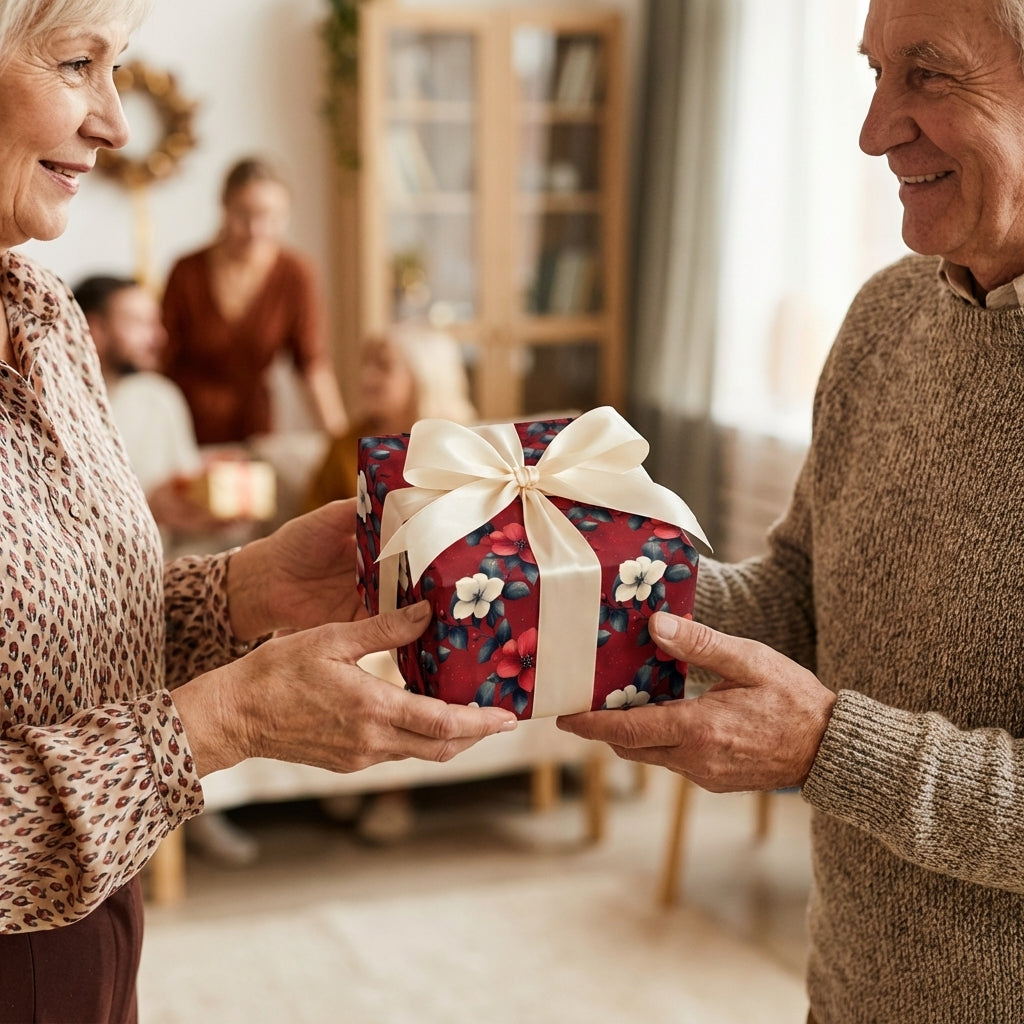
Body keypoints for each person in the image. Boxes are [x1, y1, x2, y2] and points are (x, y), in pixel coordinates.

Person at [0, 5, 517, 1022]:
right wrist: (219, 721)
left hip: (98, 928)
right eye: (75, 64)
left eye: (120, 70)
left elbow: (65, 648)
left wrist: (243, 589)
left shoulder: (46, 315)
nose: (113, 121)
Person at [558, 0, 1024, 1021]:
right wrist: (603, 575)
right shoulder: (886, 318)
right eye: (872, 71)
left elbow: (826, 728)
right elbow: (800, 597)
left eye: (928, 75)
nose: (871, 129)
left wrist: (826, 749)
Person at [307, 325, 478, 843]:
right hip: (354, 585)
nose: (367, 378)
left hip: (438, 590)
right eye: (367, 363)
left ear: (423, 376)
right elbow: (309, 520)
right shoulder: (346, 442)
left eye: (384, 366)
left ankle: (391, 790)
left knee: (396, 649)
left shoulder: (463, 447)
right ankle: (355, 766)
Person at [161, 154, 349, 446]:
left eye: (271, 217)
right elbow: (160, 359)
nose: (256, 230)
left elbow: (312, 363)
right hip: (184, 431)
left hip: (255, 430)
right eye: (243, 214)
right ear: (224, 207)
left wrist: (342, 446)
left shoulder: (296, 274)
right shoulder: (186, 272)